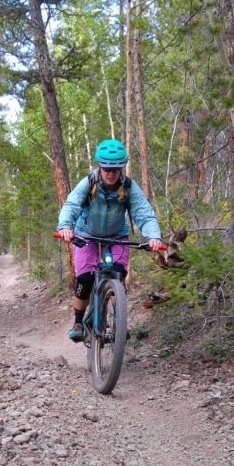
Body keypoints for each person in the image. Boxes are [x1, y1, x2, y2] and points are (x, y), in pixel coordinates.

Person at [56, 139, 163, 342]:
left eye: (116, 168)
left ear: (121, 168)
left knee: (117, 273)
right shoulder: (89, 183)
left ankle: (118, 324)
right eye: (107, 168)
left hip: (116, 236)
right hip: (86, 234)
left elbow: (144, 214)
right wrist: (65, 227)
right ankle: (78, 322)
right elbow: (71, 205)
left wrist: (153, 237)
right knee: (85, 278)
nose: (111, 173)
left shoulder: (129, 187)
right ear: (99, 166)